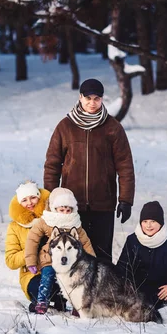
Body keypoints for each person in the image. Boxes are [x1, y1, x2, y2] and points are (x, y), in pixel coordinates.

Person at [44, 78, 135, 261]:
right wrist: (50, 199)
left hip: (103, 204)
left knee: (102, 257)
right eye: (88, 98)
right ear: (80, 97)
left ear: (102, 99)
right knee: (74, 255)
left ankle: (103, 290)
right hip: (71, 206)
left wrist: (125, 200)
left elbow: (125, 166)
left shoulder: (112, 128)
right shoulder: (65, 126)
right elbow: (52, 164)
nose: (92, 103)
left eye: (97, 98)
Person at [24, 187, 96, 314]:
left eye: (68, 210)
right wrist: (30, 261)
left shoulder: (75, 223)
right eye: (61, 209)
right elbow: (32, 240)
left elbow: (85, 242)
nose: (65, 213)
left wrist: (93, 263)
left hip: (71, 261)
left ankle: (76, 306)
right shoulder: (46, 221)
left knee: (75, 280)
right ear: (54, 208)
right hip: (50, 259)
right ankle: (41, 301)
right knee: (47, 276)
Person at [116, 201, 167, 309]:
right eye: (145, 221)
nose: (148, 225)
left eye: (153, 221)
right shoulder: (132, 240)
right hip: (138, 293)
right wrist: (125, 289)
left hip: (164, 293)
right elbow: (122, 267)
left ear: (161, 223)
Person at [4, 180, 66, 312]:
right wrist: (31, 250)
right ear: (19, 203)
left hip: (56, 269)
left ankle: (61, 299)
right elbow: (11, 261)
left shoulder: (53, 218)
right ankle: (43, 300)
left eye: (33, 198)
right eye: (24, 200)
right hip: (32, 274)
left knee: (66, 286)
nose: (30, 203)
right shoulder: (14, 227)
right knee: (43, 288)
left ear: (40, 198)